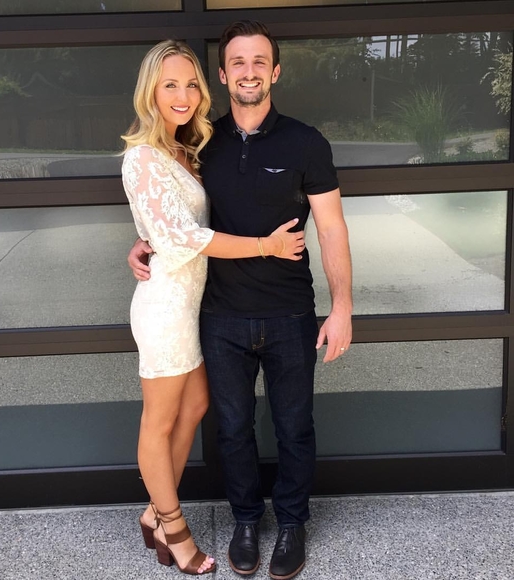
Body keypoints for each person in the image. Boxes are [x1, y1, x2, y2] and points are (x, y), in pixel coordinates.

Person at [128, 22, 352, 580]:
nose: (248, 72)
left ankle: (293, 524)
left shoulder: (306, 142)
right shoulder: (201, 142)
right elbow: (173, 212)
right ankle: (246, 522)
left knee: (294, 427)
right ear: (224, 76)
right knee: (232, 429)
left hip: (290, 313)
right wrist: (144, 240)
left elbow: (331, 227)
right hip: (220, 315)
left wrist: (343, 306)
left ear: (274, 72)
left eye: (259, 62)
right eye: (237, 63)